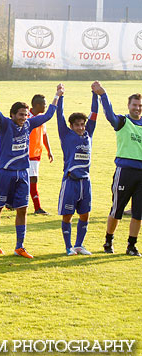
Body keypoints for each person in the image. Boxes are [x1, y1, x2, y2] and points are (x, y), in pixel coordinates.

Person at [0, 81, 61, 259]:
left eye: (25, 115)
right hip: (5, 173)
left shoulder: (29, 124)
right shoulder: (5, 124)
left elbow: (49, 114)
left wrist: (57, 95)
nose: (23, 118)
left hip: (23, 173)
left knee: (23, 208)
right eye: (20, 115)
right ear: (12, 115)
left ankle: (20, 246)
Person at [92, 81, 142, 256]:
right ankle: (108, 240)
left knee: (138, 213)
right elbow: (109, 115)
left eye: (140, 106)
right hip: (125, 172)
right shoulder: (122, 121)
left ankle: (132, 245)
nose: (137, 108)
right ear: (128, 106)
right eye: (134, 105)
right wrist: (103, 94)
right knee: (117, 209)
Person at [56, 90, 98, 256]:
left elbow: (94, 113)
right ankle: (68, 247)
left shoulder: (89, 134)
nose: (81, 127)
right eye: (77, 125)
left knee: (85, 215)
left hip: (85, 182)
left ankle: (79, 245)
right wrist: (60, 96)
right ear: (71, 126)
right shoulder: (66, 135)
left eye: (82, 124)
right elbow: (59, 115)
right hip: (70, 182)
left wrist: (95, 95)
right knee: (67, 216)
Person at [27, 94, 54, 215]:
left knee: (27, 179)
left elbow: (44, 134)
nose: (46, 106)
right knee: (32, 179)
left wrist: (49, 150)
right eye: (44, 104)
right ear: (38, 105)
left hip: (37, 154)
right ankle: (37, 208)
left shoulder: (41, 118)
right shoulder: (26, 116)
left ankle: (9, 201)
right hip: (28, 154)